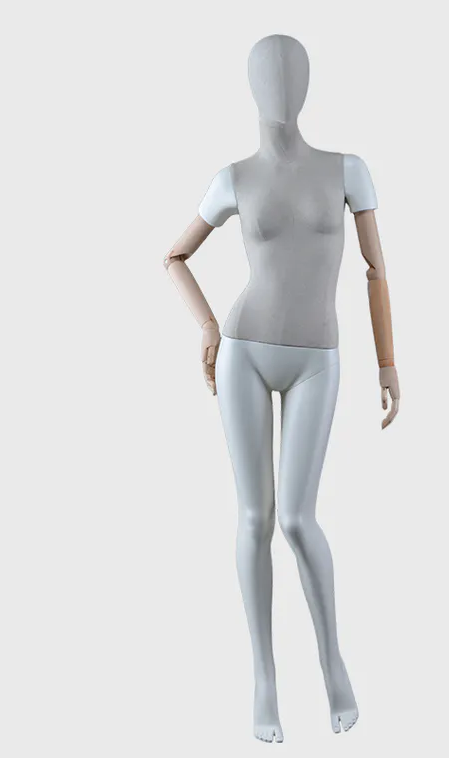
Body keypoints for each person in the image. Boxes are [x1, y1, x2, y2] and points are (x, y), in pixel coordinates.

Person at [164, 34, 400, 743]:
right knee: (254, 518)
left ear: (307, 85)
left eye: (293, 74)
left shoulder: (348, 170)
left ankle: (332, 663)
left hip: (319, 358)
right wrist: (208, 326)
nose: (281, 87)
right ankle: (265, 679)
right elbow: (174, 255)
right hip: (244, 350)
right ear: (251, 88)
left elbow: (376, 272)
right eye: (269, 76)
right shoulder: (232, 178)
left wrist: (388, 363)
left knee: (298, 518)